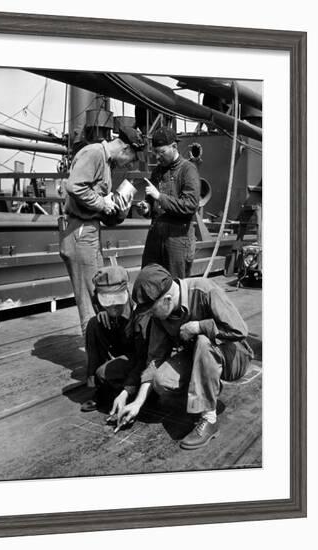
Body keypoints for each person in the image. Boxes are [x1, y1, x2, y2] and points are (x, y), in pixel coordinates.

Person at [116, 263, 254, 450]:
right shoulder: (161, 316)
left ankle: (209, 419)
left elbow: (239, 330)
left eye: (151, 310)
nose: (150, 315)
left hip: (234, 356)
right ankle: (208, 388)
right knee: (161, 380)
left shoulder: (205, 290)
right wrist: (137, 403)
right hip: (198, 357)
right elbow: (155, 360)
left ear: (167, 299)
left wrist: (199, 327)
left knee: (204, 342)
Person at [60, 127, 147, 335]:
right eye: (132, 159)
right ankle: (94, 357)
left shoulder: (105, 161)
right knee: (89, 299)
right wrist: (102, 204)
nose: (129, 164)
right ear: (126, 149)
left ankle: (99, 348)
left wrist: (117, 207)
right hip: (79, 230)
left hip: (89, 230)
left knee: (99, 291)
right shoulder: (95, 153)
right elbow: (75, 186)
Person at [80, 266, 147, 415]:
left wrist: (128, 388)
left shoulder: (139, 313)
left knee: (103, 373)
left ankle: (129, 391)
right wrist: (102, 312)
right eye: (107, 300)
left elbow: (144, 358)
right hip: (118, 350)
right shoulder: (102, 306)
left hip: (138, 357)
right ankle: (98, 389)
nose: (113, 306)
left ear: (126, 292)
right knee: (93, 325)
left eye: (117, 299)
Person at [138, 127, 200, 278]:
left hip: (178, 238)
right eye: (155, 153)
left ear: (174, 147)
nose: (158, 157)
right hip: (156, 235)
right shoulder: (157, 171)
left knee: (176, 286)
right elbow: (152, 202)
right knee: (148, 278)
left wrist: (159, 197)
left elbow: (190, 205)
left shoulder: (188, 170)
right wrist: (146, 208)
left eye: (162, 152)